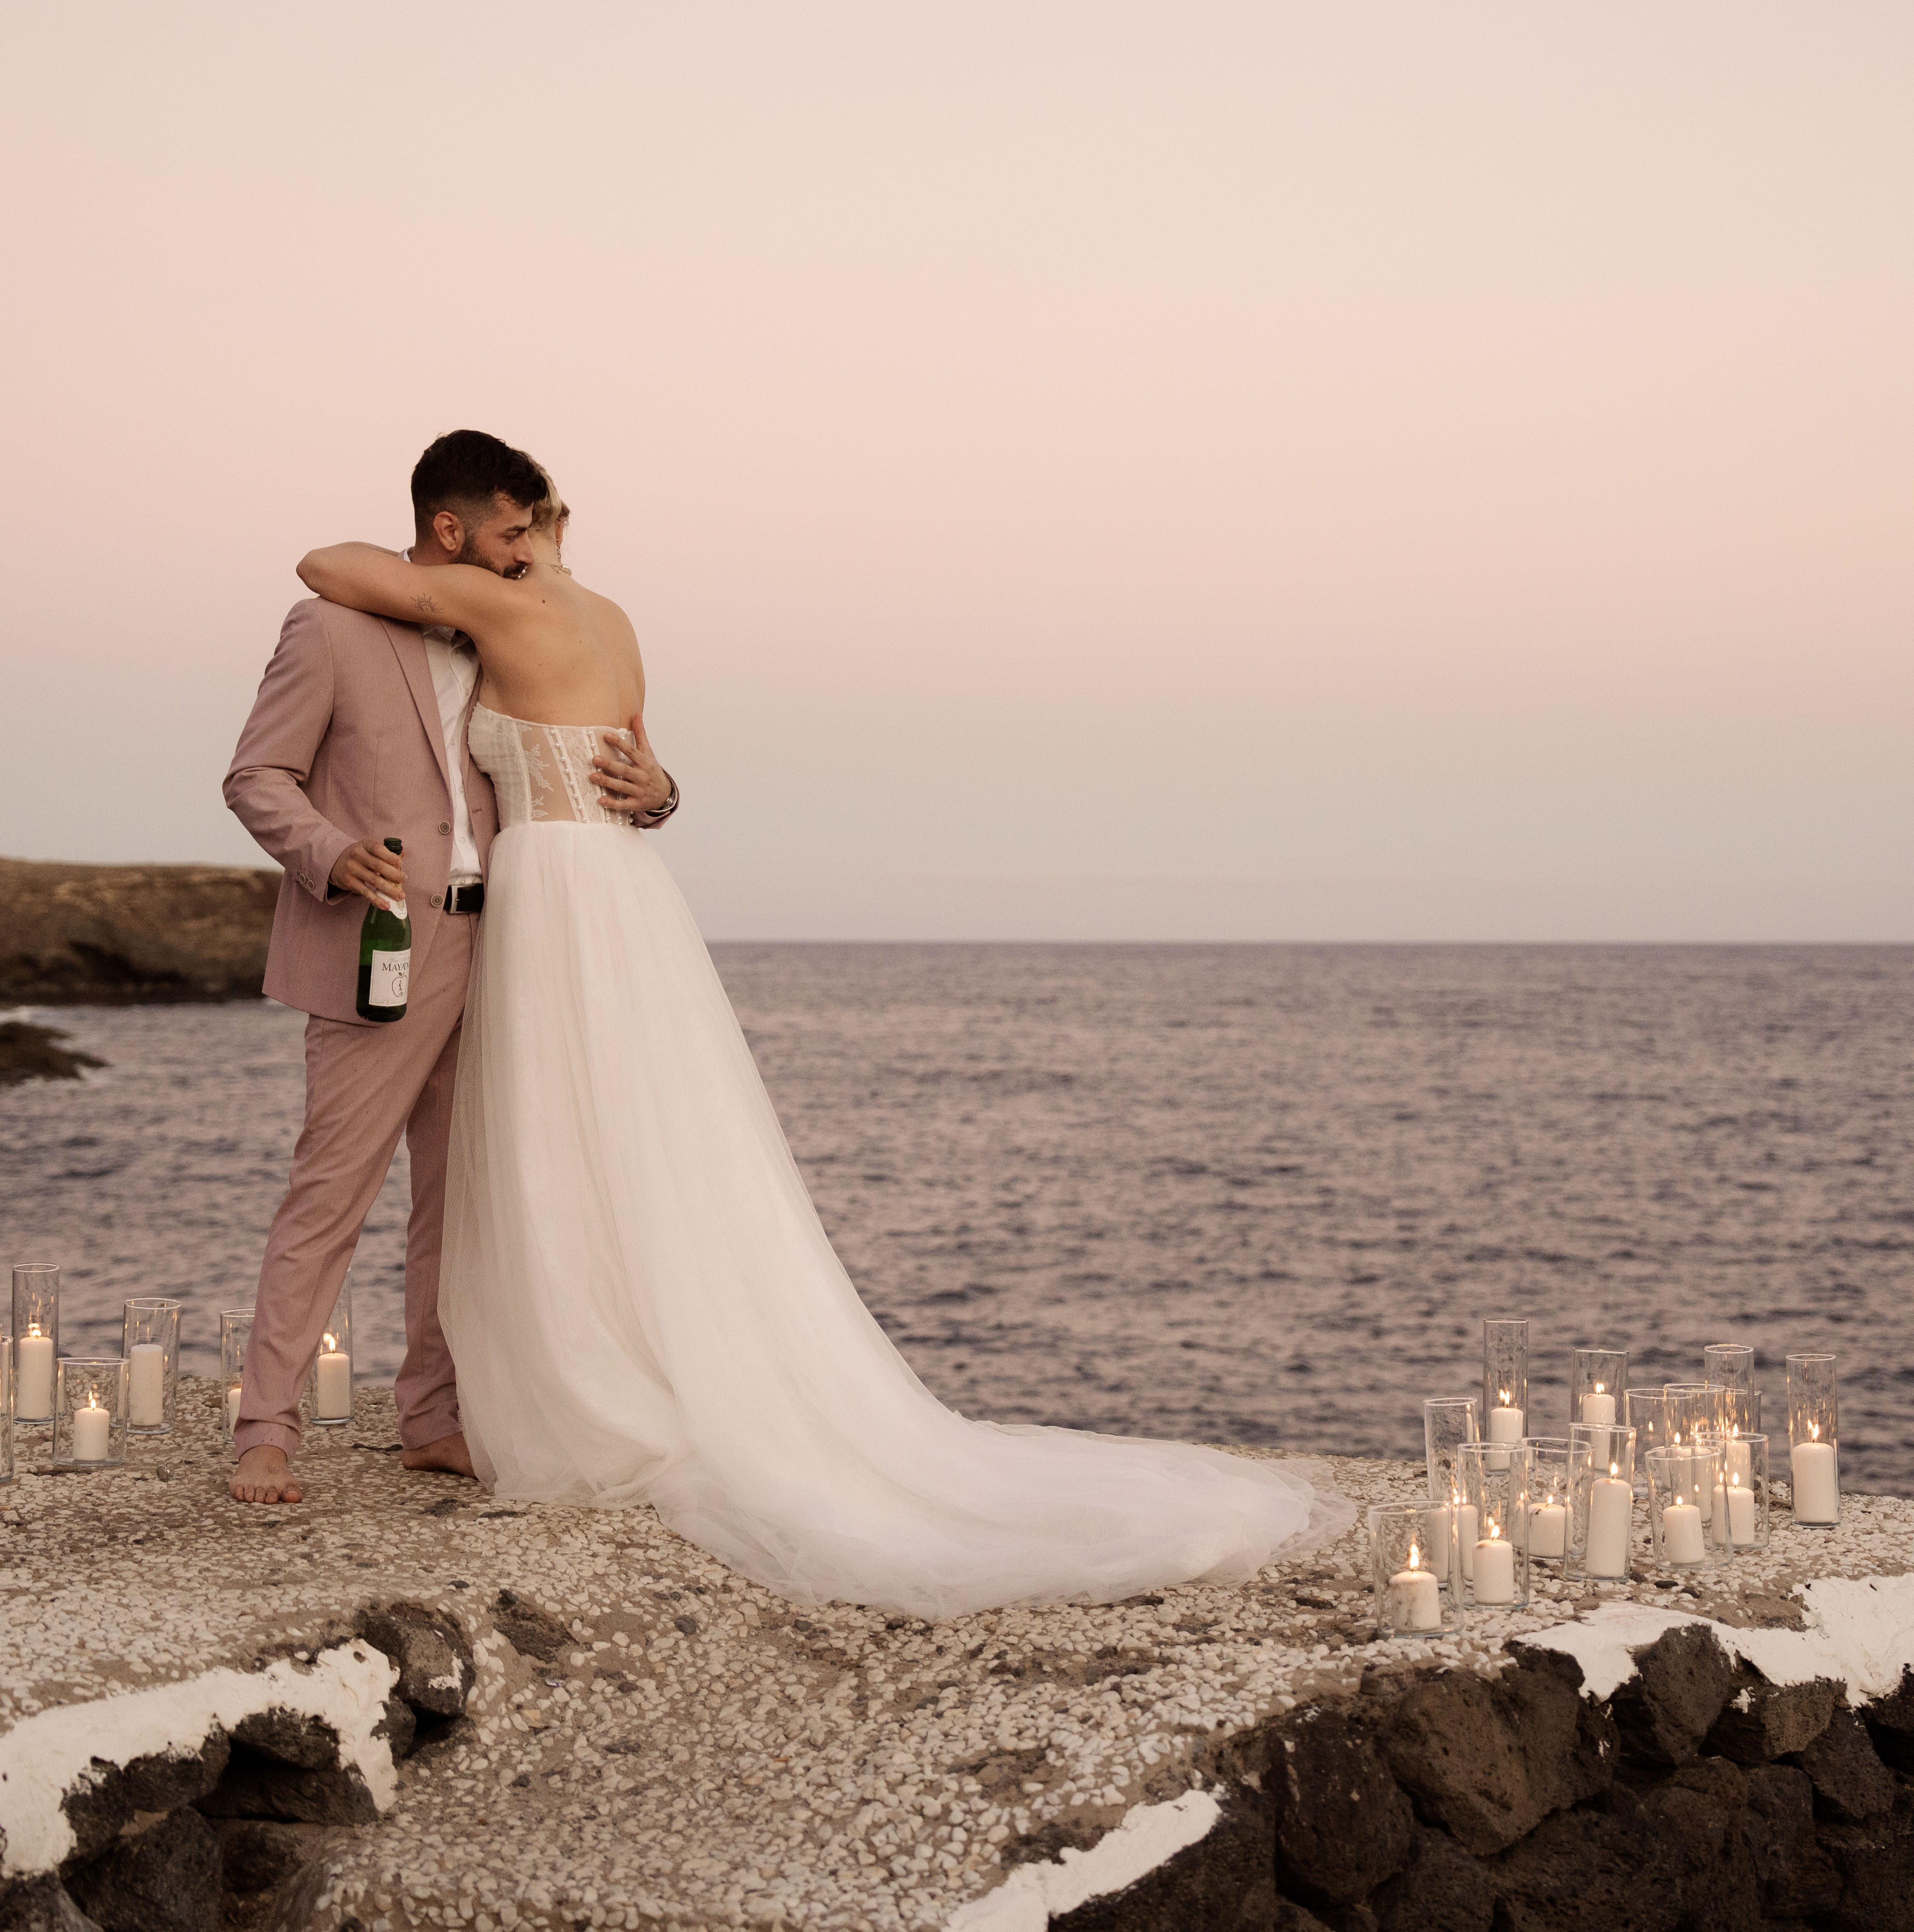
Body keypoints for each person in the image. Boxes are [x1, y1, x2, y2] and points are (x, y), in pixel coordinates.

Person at [294, 477, 1349, 1618]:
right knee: (642, 1134)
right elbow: (638, 764)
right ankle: (615, 1361)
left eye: (511, 530)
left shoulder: (503, 602)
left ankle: (590, 1390)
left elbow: (326, 564)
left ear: (525, 528)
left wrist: (473, 563)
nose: (501, 551)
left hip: (554, 890)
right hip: (626, 890)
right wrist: (663, 788)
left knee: (558, 1140)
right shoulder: (616, 620)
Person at [222, 431, 678, 1506]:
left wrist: (658, 792)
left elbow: (597, 753)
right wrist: (333, 855)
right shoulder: (328, 629)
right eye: (510, 530)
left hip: (510, 945)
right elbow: (256, 775)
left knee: (458, 1196)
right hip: (379, 942)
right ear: (449, 527)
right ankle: (263, 1431)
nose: (525, 552)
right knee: (330, 1192)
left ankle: (432, 1414)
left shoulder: (497, 624)